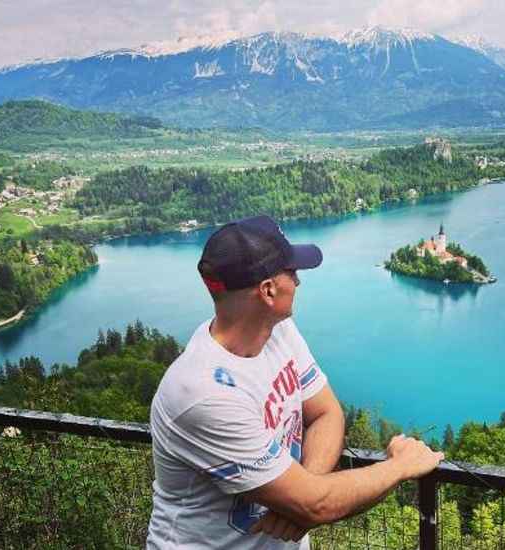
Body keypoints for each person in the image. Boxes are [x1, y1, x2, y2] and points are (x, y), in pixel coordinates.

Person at [147, 215, 443, 549]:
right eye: (292, 272)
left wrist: (301, 495)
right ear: (268, 291)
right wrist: (401, 465)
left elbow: (326, 412)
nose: (299, 282)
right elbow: (319, 504)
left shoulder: (278, 332)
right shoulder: (202, 394)